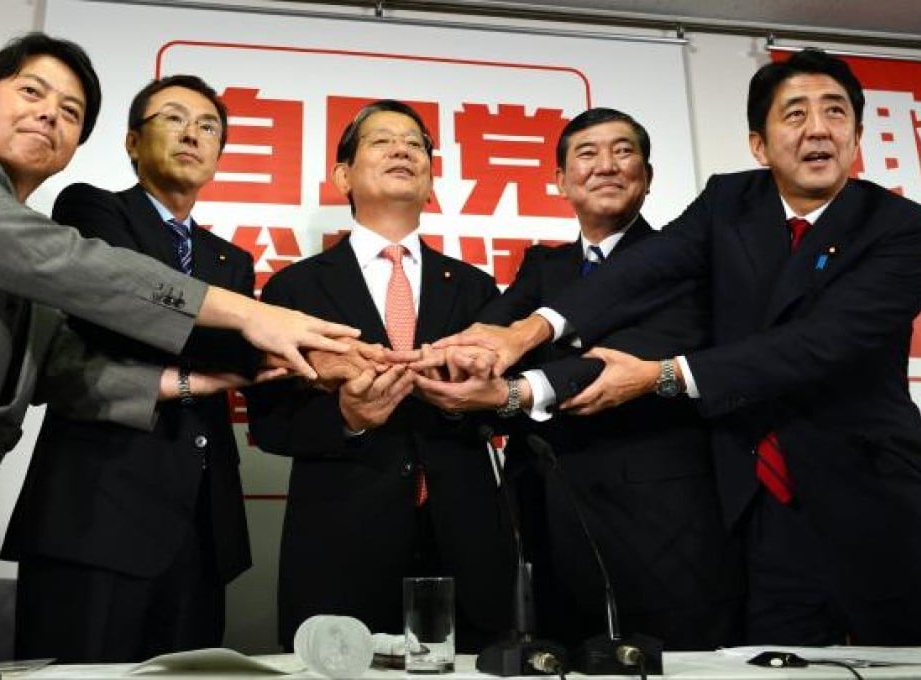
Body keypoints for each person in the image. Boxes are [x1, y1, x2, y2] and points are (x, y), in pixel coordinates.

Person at [437, 49, 921, 645]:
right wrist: (526, 331)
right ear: (759, 145)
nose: (817, 129)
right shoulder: (729, 203)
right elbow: (642, 270)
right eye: (795, 114)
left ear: (858, 136)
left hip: (871, 499)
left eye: (835, 112)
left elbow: (813, 345)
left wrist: (660, 375)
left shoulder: (901, 228)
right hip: (754, 506)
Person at [0, 33, 356, 649]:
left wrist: (197, 379)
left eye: (70, 112)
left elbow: (60, 368)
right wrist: (248, 315)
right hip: (77, 511)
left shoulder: (32, 248)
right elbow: (72, 265)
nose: (49, 114)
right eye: (32, 92)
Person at [413, 108, 743, 651]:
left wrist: (519, 385)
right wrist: (449, 363)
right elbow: (491, 338)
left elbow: (627, 356)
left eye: (623, 151)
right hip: (545, 525)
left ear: (648, 176)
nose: (606, 166)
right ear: (560, 181)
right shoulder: (543, 269)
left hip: (660, 530)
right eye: (587, 154)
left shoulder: (687, 261)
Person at [0, 75, 260, 661]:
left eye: (208, 127)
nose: (192, 135)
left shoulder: (232, 260)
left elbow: (240, 354)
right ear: (133, 142)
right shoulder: (92, 209)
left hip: (202, 528)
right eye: (174, 118)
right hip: (95, 514)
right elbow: (114, 317)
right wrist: (237, 340)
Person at [245, 100, 515, 652]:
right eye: (382, 141)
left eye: (415, 144)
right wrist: (347, 418)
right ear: (342, 175)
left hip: (464, 543)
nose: (402, 151)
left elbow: (508, 402)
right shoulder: (294, 290)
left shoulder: (476, 289)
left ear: (431, 181)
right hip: (342, 544)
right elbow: (269, 424)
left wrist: (470, 398)